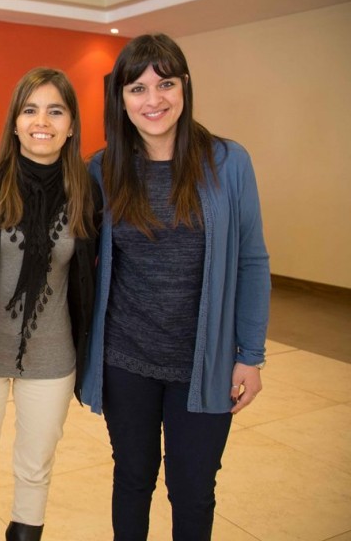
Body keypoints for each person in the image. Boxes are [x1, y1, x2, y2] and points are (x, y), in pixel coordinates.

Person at [80, 33, 270, 540]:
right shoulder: (101, 170)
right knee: (133, 478)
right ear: (120, 99)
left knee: (193, 486)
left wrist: (250, 355)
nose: (153, 99)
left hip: (202, 363)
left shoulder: (228, 163)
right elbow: (59, 247)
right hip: (126, 360)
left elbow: (253, 261)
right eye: (137, 88)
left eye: (165, 83)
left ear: (185, 87)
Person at [0, 68, 100, 541]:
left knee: (35, 467)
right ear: (14, 122)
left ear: (71, 125)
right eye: (30, 110)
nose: (42, 121)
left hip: (53, 354)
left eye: (55, 110)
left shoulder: (87, 192)